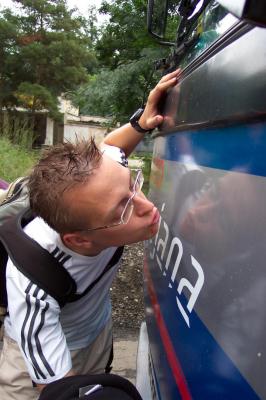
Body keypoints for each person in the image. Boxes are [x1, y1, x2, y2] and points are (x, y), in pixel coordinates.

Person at [0, 69, 181, 400]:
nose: (145, 206)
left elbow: (111, 148)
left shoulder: (100, 185)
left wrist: (142, 122)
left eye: (133, 185)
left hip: (96, 330)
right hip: (37, 362)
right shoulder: (32, 285)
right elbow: (54, 386)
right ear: (79, 240)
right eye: (122, 209)